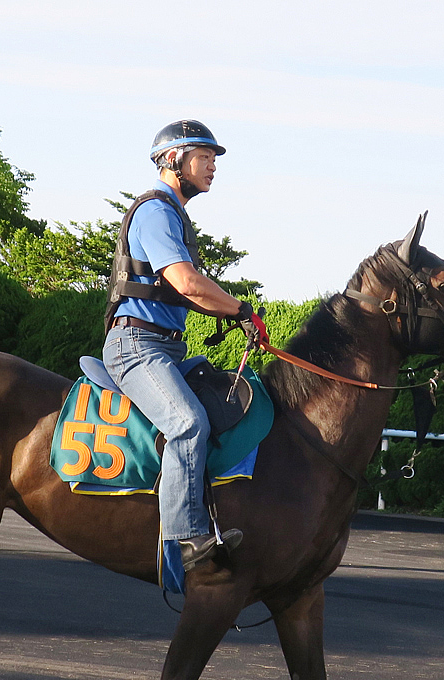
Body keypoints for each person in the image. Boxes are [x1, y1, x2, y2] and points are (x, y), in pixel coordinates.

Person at [103, 120, 260, 573]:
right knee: (189, 425)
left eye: (213, 159)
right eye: (204, 157)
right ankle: (187, 542)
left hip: (165, 348)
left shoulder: (174, 214)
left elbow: (191, 292)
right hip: (137, 347)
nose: (213, 166)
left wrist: (234, 314)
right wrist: (242, 312)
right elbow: (188, 284)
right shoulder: (156, 212)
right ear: (174, 159)